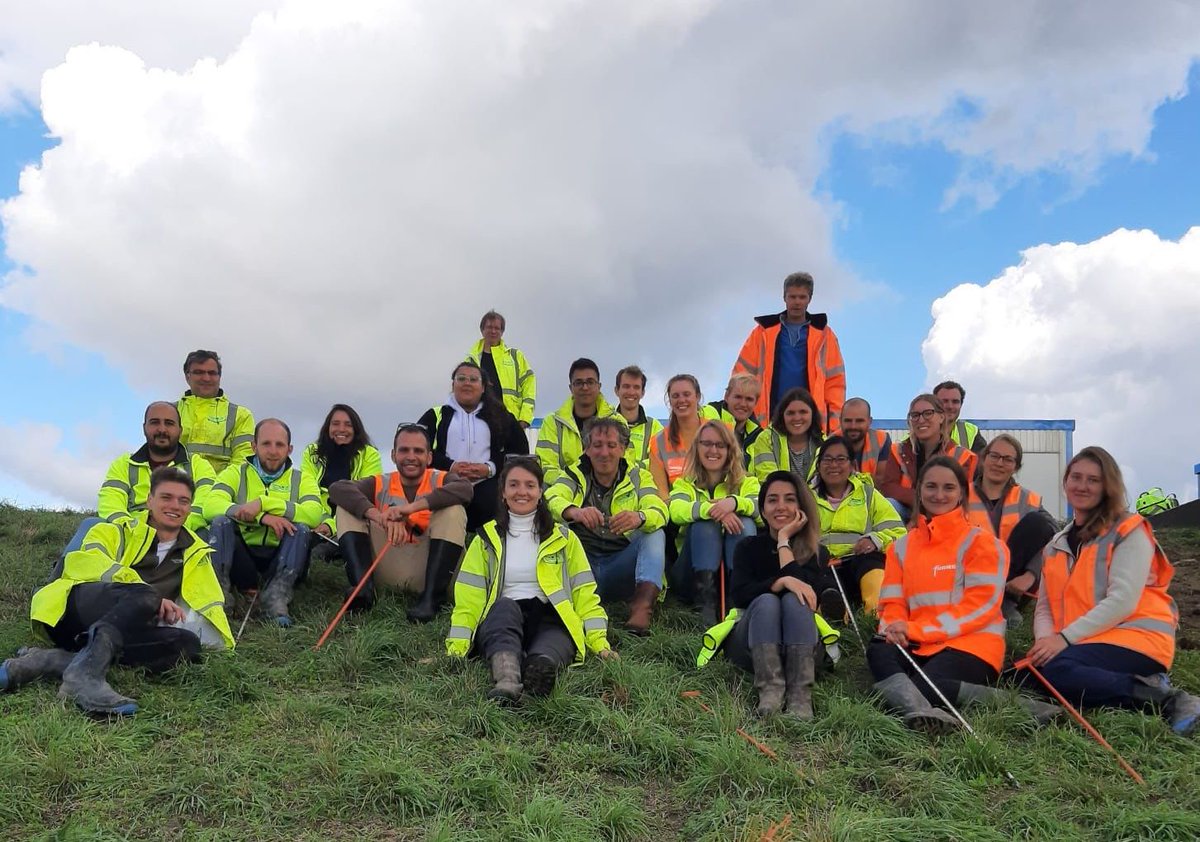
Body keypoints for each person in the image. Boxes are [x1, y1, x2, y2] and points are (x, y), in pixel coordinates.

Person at [4, 468, 233, 715]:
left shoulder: (197, 553)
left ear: (189, 508)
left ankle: (54, 661)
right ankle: (85, 677)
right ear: (150, 500)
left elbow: (208, 604)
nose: (175, 506)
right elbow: (86, 562)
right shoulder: (116, 530)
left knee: (187, 644)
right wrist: (147, 593)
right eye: (166, 497)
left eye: (183, 500)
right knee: (146, 595)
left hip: (125, 630)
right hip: (73, 612)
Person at [869, 456, 1057, 732]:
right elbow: (892, 602)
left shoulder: (983, 544)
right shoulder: (901, 547)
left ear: (961, 494)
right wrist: (894, 628)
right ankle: (923, 712)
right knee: (879, 648)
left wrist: (916, 630)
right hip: (918, 641)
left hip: (971, 644)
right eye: (931, 486)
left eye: (948, 488)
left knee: (928, 684)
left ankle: (1028, 708)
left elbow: (978, 608)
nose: (939, 495)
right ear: (919, 491)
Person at [1023, 446, 1200, 735]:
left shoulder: (1128, 530)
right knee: (1028, 675)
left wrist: (1062, 640)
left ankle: (1166, 699)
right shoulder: (1055, 545)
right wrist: (1045, 643)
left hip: (1137, 638)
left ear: (1108, 487)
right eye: (1076, 477)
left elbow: (1123, 600)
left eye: (1093, 480)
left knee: (1057, 672)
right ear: (1065, 482)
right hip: (1088, 640)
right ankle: (1138, 681)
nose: (1082, 486)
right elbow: (1043, 606)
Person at [446, 458, 617, 703]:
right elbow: (468, 600)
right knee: (503, 609)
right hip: (504, 617)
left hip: (550, 617)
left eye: (530, 485)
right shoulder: (485, 539)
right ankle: (507, 679)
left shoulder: (565, 538)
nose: (522, 492)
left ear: (540, 492)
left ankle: (538, 674)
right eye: (514, 485)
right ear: (503, 492)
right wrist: (457, 648)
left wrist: (600, 644)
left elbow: (585, 595)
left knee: (551, 645)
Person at [704, 471, 827, 718]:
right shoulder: (747, 547)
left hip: (803, 647)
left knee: (796, 598)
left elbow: (808, 592)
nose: (780, 506)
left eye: (790, 499)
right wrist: (779, 582)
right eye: (772, 500)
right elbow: (740, 595)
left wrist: (783, 541)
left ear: (801, 508)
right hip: (751, 645)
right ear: (763, 509)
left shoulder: (816, 551)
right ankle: (771, 691)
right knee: (767, 601)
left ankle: (800, 696)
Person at [329, 423, 473, 621]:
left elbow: (465, 489)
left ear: (429, 457)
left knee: (453, 510)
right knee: (346, 508)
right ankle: (363, 591)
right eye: (404, 450)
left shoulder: (443, 479)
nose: (411, 457)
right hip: (391, 560)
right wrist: (380, 517)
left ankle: (432, 599)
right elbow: (338, 489)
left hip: (432, 566)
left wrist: (409, 510)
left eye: (418, 451)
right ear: (393, 455)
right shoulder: (381, 482)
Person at [545, 418, 668, 635]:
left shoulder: (638, 476)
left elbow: (659, 510)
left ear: (623, 449)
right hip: (583, 566)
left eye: (611, 445)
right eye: (597, 445)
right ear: (586, 449)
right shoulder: (574, 473)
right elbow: (550, 498)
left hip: (622, 566)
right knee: (557, 531)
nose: (604, 453)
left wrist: (639, 517)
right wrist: (574, 511)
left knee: (654, 534)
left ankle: (642, 610)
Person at [204, 419, 324, 627]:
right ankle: (220, 597)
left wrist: (263, 503)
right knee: (220, 522)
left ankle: (276, 599)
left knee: (302, 529)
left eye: (280, 445)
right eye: (266, 443)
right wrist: (262, 517)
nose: (273, 451)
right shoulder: (235, 473)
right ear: (254, 446)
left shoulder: (302, 479)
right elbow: (210, 506)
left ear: (289, 449)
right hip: (243, 557)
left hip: (282, 557)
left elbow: (314, 514)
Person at [60, 401, 217, 561]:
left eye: (169, 423)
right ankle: (62, 573)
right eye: (155, 422)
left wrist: (173, 525)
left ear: (180, 430)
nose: (162, 429)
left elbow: (205, 502)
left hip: (182, 528)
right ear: (144, 428)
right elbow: (110, 501)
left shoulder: (198, 465)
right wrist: (135, 529)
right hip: (131, 531)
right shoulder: (124, 464)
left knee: (205, 533)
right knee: (91, 525)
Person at [419, 361, 530, 533]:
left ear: (483, 387)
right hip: (445, 485)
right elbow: (418, 451)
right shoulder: (436, 415)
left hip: (488, 489)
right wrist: (450, 466)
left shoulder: (501, 416)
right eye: (461, 378)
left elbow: (520, 452)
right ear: (453, 385)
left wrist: (490, 468)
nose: (467, 383)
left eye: (473, 379)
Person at [667, 420, 759, 625]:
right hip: (691, 575)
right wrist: (713, 510)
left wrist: (734, 503)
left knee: (745, 521)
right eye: (706, 444)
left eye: (720, 445)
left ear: (730, 449)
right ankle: (705, 608)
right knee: (704, 525)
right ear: (697, 447)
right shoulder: (685, 483)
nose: (713, 450)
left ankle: (737, 603)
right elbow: (675, 511)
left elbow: (761, 508)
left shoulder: (747, 482)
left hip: (735, 576)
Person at [731, 271, 846, 433]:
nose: (797, 302)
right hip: (767, 420)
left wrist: (834, 428)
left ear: (810, 299)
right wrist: (738, 417)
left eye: (802, 297)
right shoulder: (762, 333)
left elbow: (835, 385)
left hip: (810, 423)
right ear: (784, 297)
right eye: (792, 297)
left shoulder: (825, 336)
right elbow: (741, 377)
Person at [967, 434, 1057, 626]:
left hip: (1013, 585)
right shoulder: (959, 496)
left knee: (1038, 524)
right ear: (983, 459)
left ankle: (1003, 603)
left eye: (1008, 459)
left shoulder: (1028, 499)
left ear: (1016, 467)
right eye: (994, 456)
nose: (999, 463)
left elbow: (1057, 539)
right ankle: (994, 606)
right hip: (969, 579)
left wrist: (1031, 574)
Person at [811, 435, 905, 617]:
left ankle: (876, 615)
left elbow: (900, 533)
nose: (833, 465)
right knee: (818, 571)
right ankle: (835, 614)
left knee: (872, 560)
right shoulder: (806, 497)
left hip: (859, 564)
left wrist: (875, 540)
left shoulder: (869, 495)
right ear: (818, 465)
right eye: (827, 459)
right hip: (825, 566)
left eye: (840, 459)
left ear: (852, 465)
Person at [299, 404, 383, 556]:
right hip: (316, 519)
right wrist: (321, 521)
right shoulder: (312, 453)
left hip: (352, 519)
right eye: (336, 424)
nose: (341, 429)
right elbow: (308, 492)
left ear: (356, 429)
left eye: (348, 425)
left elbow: (362, 499)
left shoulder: (370, 455)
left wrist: (330, 526)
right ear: (328, 427)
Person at [878, 393, 978, 521]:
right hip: (908, 510)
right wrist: (918, 500)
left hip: (945, 513)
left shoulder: (962, 456)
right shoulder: (898, 450)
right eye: (915, 415)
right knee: (889, 505)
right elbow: (888, 487)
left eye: (928, 413)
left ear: (941, 417)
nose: (921, 420)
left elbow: (962, 496)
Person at [536, 358, 620, 485]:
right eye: (579, 383)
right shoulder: (552, 423)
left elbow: (625, 465)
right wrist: (577, 484)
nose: (585, 387)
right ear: (571, 388)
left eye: (590, 382)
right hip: (564, 492)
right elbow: (546, 468)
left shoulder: (617, 421)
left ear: (599, 386)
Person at [176, 349, 255, 474]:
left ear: (220, 377)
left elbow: (243, 460)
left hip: (222, 485)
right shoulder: (169, 412)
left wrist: (221, 484)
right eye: (199, 372)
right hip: (175, 483)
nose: (206, 378)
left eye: (212, 373)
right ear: (187, 376)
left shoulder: (241, 415)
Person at [466, 310, 536, 429]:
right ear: (482, 330)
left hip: (510, 423)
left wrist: (524, 418)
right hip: (479, 424)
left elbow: (529, 386)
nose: (493, 331)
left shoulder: (515, 357)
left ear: (502, 331)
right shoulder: (471, 361)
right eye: (489, 327)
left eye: (497, 328)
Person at [746, 387, 824, 484]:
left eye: (803, 412)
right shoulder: (766, 439)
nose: (797, 418)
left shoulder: (824, 443)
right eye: (791, 413)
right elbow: (769, 481)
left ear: (813, 414)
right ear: (782, 415)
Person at [649, 374, 705, 496]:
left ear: (698, 396)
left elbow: (734, 479)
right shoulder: (658, 442)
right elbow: (661, 493)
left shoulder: (720, 433)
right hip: (677, 507)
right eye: (675, 396)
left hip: (720, 505)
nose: (681, 400)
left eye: (686, 394)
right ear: (670, 400)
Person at [700, 373, 765, 462]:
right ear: (726, 396)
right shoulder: (707, 414)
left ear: (756, 403)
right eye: (738, 397)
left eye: (749, 399)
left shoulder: (759, 436)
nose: (743, 404)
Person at [613, 365, 664, 469]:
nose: (631, 392)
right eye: (626, 386)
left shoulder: (654, 427)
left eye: (636, 387)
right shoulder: (604, 423)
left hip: (645, 480)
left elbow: (662, 460)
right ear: (616, 390)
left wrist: (633, 467)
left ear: (642, 393)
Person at [839, 397, 893, 482]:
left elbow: (882, 482)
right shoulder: (829, 443)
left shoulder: (882, 440)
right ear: (840, 421)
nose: (853, 426)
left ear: (869, 421)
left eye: (859, 421)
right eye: (848, 421)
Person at [933, 380, 987, 454]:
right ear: (934, 404)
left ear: (961, 405)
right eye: (944, 401)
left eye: (955, 402)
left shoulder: (971, 431)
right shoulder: (921, 430)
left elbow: (983, 459)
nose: (950, 406)